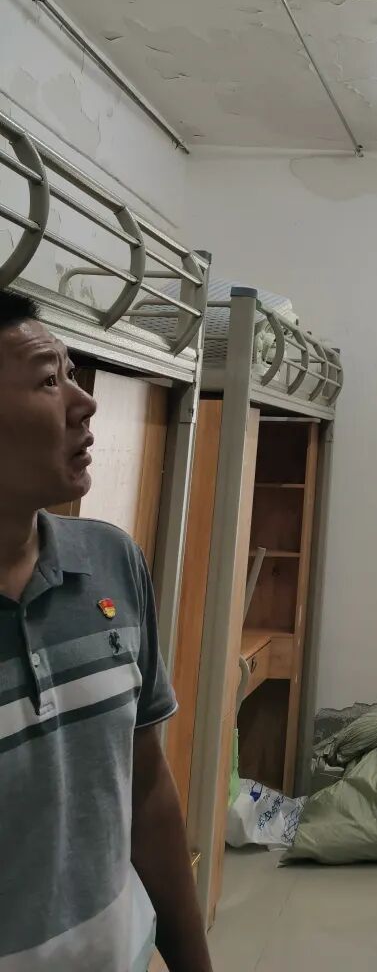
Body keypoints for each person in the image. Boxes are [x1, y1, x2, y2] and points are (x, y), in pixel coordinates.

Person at [0, 288, 213, 972]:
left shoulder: (111, 560)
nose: (84, 402)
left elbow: (145, 788)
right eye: (49, 381)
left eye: (73, 373)